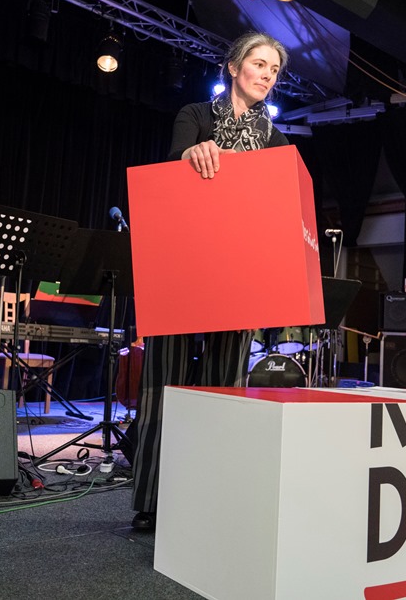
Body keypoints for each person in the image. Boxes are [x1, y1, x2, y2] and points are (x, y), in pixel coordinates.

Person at [129, 31, 289, 531]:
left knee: (227, 388)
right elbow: (173, 165)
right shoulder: (196, 115)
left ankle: (212, 496)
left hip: (239, 274)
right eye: (259, 64)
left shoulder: (277, 140)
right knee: (163, 385)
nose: (266, 75)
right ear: (234, 66)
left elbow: (278, 205)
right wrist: (191, 155)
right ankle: (151, 501)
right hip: (182, 265)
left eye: (274, 70)